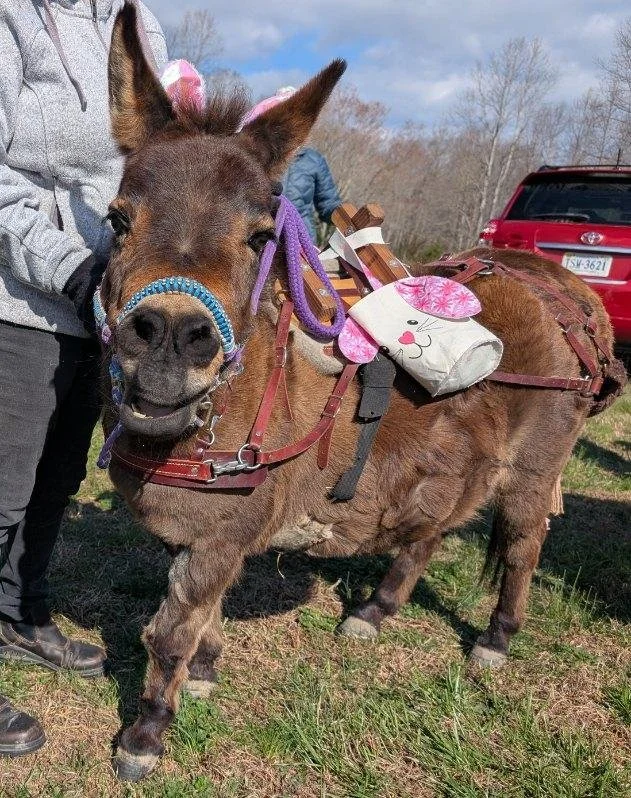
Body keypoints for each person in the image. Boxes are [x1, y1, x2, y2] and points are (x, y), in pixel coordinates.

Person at [0, 0, 167, 757]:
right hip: (17, 294)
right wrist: (73, 267)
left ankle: (20, 614)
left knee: (57, 478)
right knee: (1, 488)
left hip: (105, 298)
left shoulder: (138, 21)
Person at [241, 87, 342, 242]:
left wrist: (345, 217)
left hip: (301, 240)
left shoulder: (313, 160)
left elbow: (328, 203)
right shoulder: (254, 158)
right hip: (262, 239)